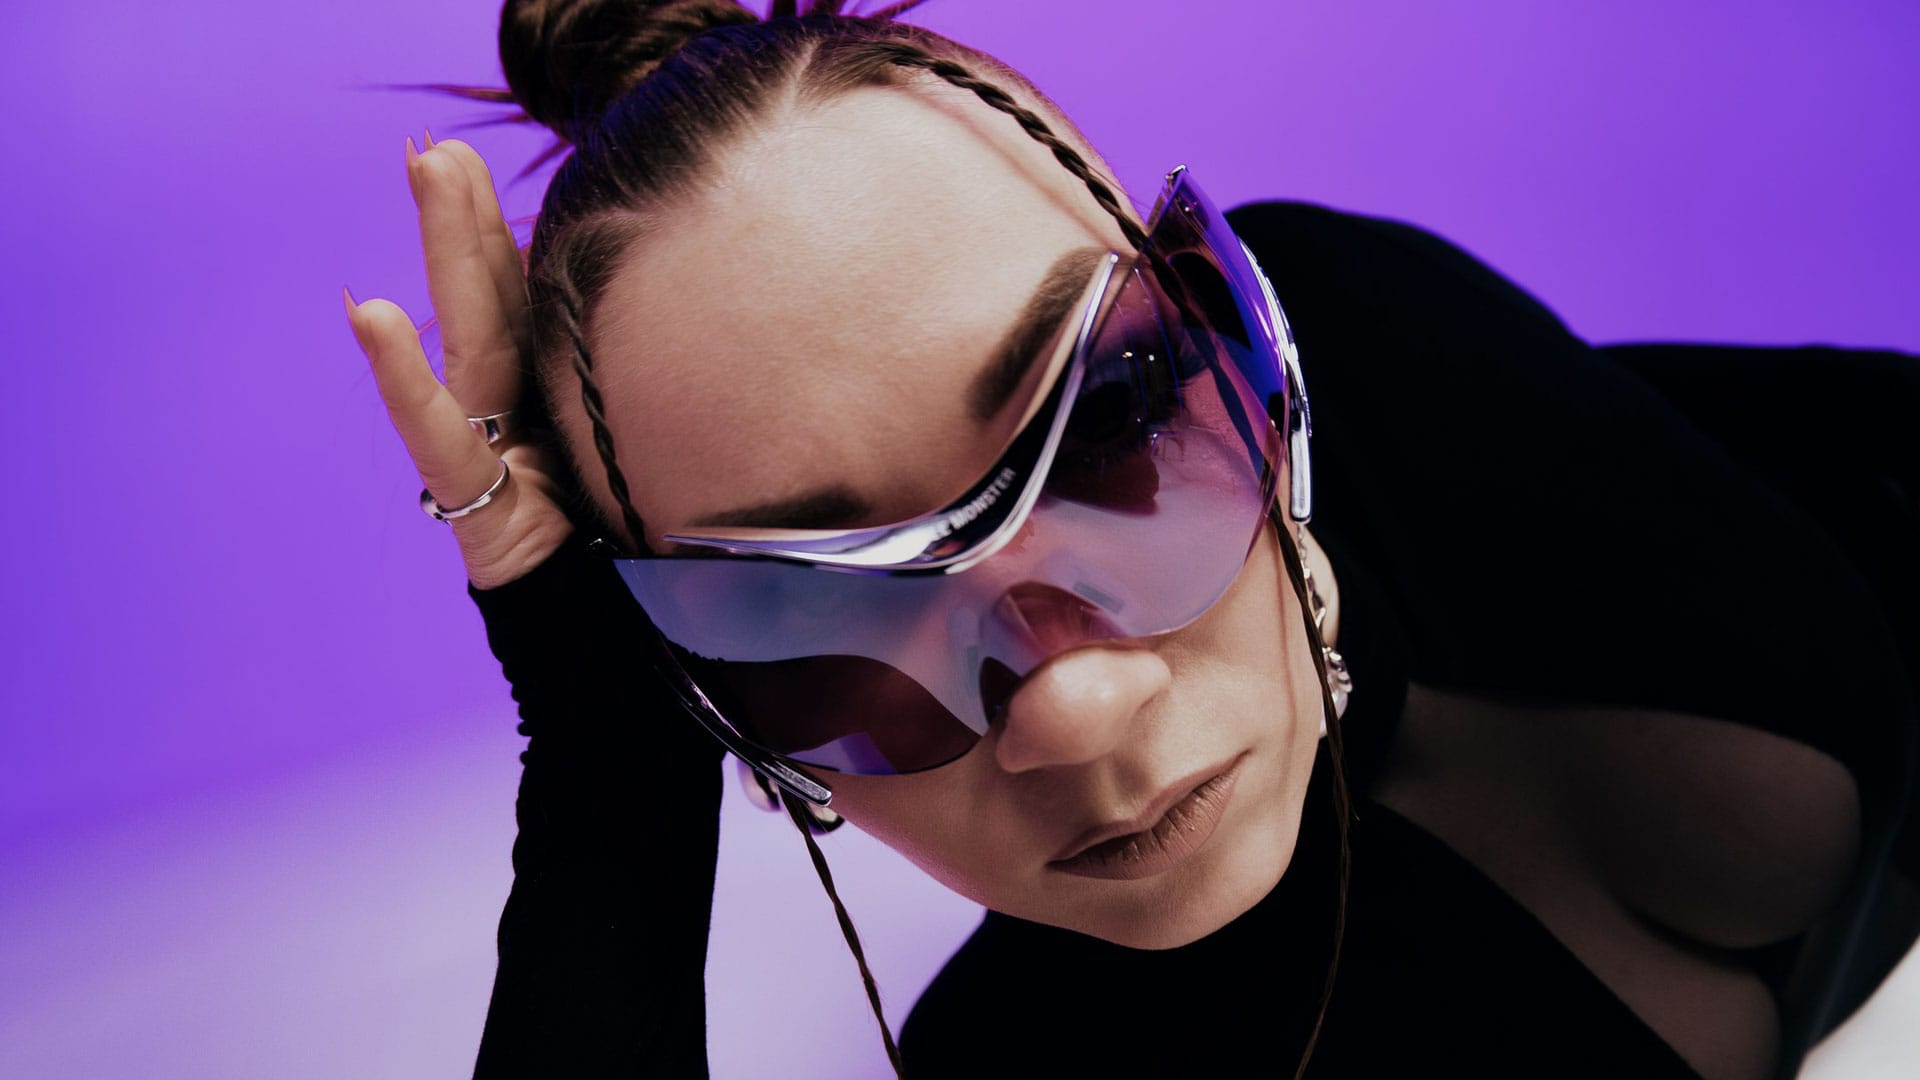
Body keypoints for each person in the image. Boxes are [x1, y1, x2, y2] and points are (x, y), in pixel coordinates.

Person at [343, 2, 1920, 1076]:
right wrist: (609, 750)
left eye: (1107, 421)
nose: (1080, 709)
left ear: (1250, 344)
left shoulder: (1376, 343)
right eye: (811, 619)